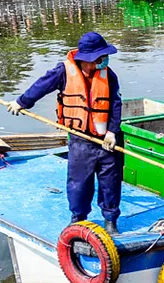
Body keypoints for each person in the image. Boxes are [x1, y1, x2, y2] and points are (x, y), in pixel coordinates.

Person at [6, 32, 124, 235]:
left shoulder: (109, 75)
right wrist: (21, 102)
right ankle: (78, 218)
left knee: (111, 182)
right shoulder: (63, 71)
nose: (104, 61)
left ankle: (110, 220)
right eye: (100, 58)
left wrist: (112, 131)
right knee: (79, 183)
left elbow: (115, 103)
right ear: (87, 59)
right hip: (81, 140)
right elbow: (41, 86)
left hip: (107, 141)